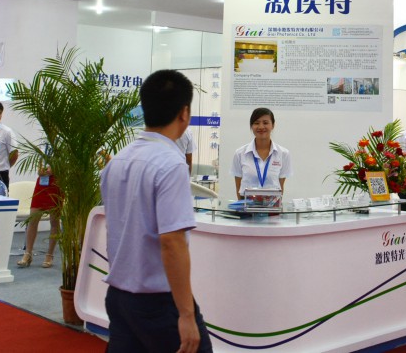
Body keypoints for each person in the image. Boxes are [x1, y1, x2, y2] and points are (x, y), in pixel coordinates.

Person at [101, 69, 211, 353]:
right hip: (159, 303)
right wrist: (186, 314)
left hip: (119, 297)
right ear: (184, 113)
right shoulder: (171, 164)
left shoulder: (118, 161)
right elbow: (172, 241)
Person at [231, 108, 291, 200]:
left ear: (273, 125)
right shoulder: (240, 153)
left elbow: (281, 186)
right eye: (256, 123)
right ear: (251, 126)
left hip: (272, 204)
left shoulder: (283, 154)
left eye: (265, 123)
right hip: (247, 204)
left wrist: (276, 206)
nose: (261, 127)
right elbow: (238, 187)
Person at [18, 163, 60, 269]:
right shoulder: (44, 151)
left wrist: (55, 170)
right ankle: (28, 253)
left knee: (54, 221)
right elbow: (39, 164)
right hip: (41, 184)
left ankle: (49, 255)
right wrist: (40, 171)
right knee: (32, 219)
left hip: (56, 184)